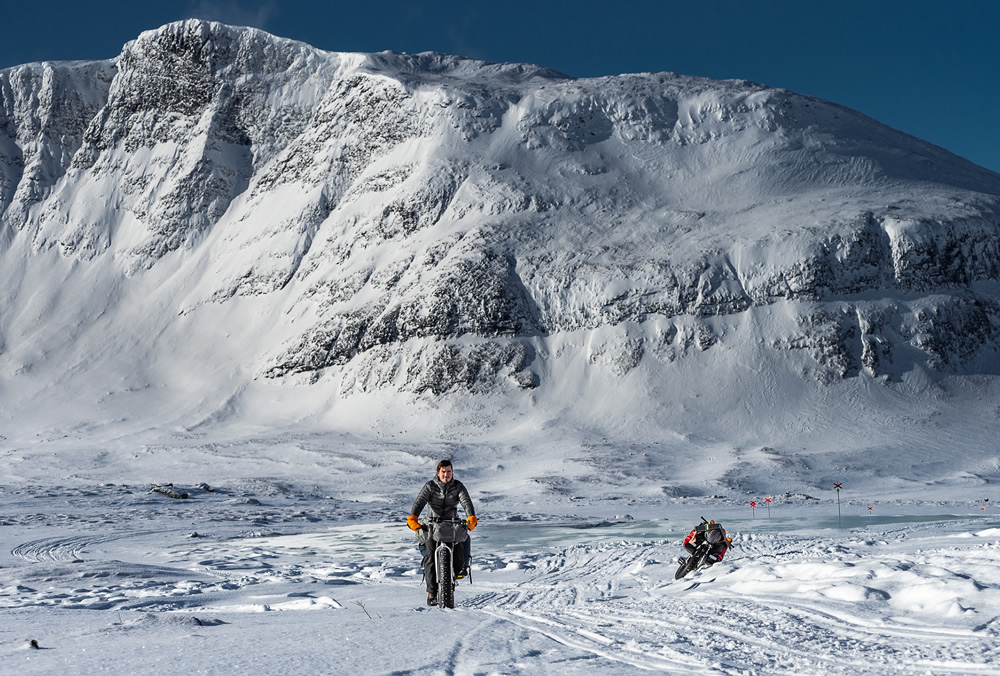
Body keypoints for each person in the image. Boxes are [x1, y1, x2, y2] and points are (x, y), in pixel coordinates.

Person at [407, 459, 477, 606]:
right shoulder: (430, 486)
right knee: (430, 557)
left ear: (452, 472)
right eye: (443, 472)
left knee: (464, 540)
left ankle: (461, 568)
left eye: (449, 471)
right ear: (438, 473)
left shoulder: (458, 486)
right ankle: (432, 592)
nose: (446, 475)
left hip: (452, 524)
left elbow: (466, 502)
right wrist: (413, 518)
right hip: (432, 524)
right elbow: (419, 502)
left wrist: (471, 517)